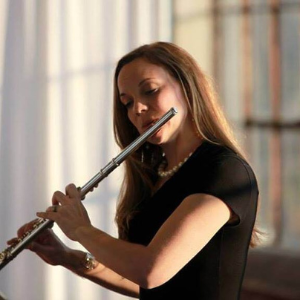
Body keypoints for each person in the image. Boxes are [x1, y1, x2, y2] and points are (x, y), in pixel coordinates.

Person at [9, 41, 259, 299]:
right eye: (127, 102)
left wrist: (80, 229)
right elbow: (146, 285)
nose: (137, 109)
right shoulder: (156, 175)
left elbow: (151, 271)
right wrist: (68, 257)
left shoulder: (225, 172)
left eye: (150, 90)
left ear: (186, 87)